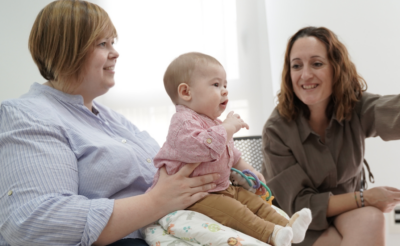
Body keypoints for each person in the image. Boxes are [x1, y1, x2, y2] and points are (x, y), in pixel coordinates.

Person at [0, 1, 220, 246]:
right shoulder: (27, 114)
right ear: (67, 50)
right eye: (103, 44)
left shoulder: (111, 119)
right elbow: (34, 223)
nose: (115, 53)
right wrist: (156, 202)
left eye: (112, 42)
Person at [147, 52, 312, 246]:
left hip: (223, 188)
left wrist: (249, 170)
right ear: (186, 92)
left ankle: (288, 226)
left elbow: (231, 155)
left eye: (225, 85)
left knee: (255, 203)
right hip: (196, 197)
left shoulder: (213, 122)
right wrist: (227, 128)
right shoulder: (182, 122)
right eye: (216, 85)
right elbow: (199, 148)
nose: (225, 91)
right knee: (236, 212)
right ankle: (270, 234)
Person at [261, 26, 400, 246]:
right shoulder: (276, 130)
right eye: (296, 66)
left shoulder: (354, 106)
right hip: (296, 223)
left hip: (345, 213)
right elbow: (299, 205)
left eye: (317, 63)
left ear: (336, 68)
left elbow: (391, 113)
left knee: (372, 218)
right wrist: (366, 198)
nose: (305, 75)